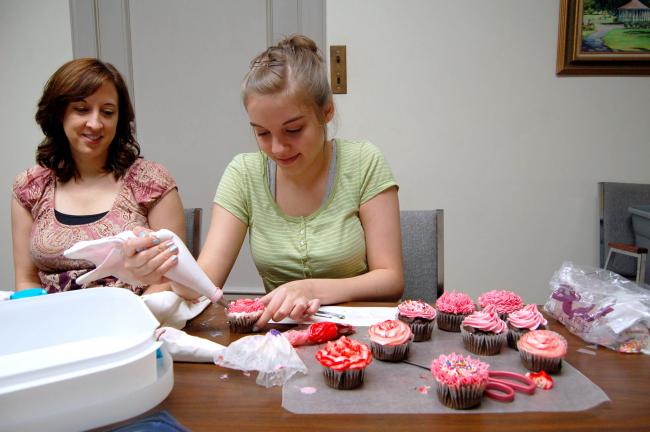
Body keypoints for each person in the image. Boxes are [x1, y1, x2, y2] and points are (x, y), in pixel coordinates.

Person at [124, 34, 404, 326]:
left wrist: (310, 289)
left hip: (361, 334)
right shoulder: (244, 174)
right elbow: (205, 285)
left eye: (293, 130)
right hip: (281, 337)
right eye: (262, 133)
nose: (277, 149)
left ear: (327, 112)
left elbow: (390, 279)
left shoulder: (363, 162)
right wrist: (162, 270)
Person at [11, 58, 185, 294]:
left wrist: (127, 322)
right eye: (82, 109)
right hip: (53, 323)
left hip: (135, 320)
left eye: (107, 112)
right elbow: (26, 279)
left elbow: (170, 279)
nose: (95, 123)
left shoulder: (151, 181)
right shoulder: (30, 187)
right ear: (59, 114)